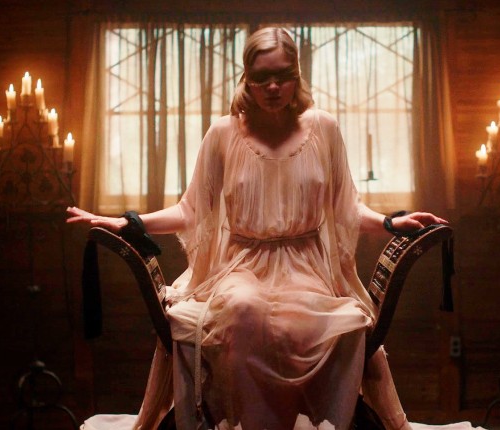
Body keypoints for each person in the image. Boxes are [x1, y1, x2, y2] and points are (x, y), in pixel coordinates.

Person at [68, 27, 451, 430]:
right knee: (243, 309)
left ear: (297, 76)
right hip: (241, 265)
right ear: (246, 78)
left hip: (305, 268)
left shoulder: (324, 128)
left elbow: (346, 209)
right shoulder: (223, 133)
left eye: (283, 75)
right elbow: (191, 209)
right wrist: (128, 222)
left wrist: (391, 223)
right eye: (261, 77)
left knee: (314, 323)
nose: (272, 86)